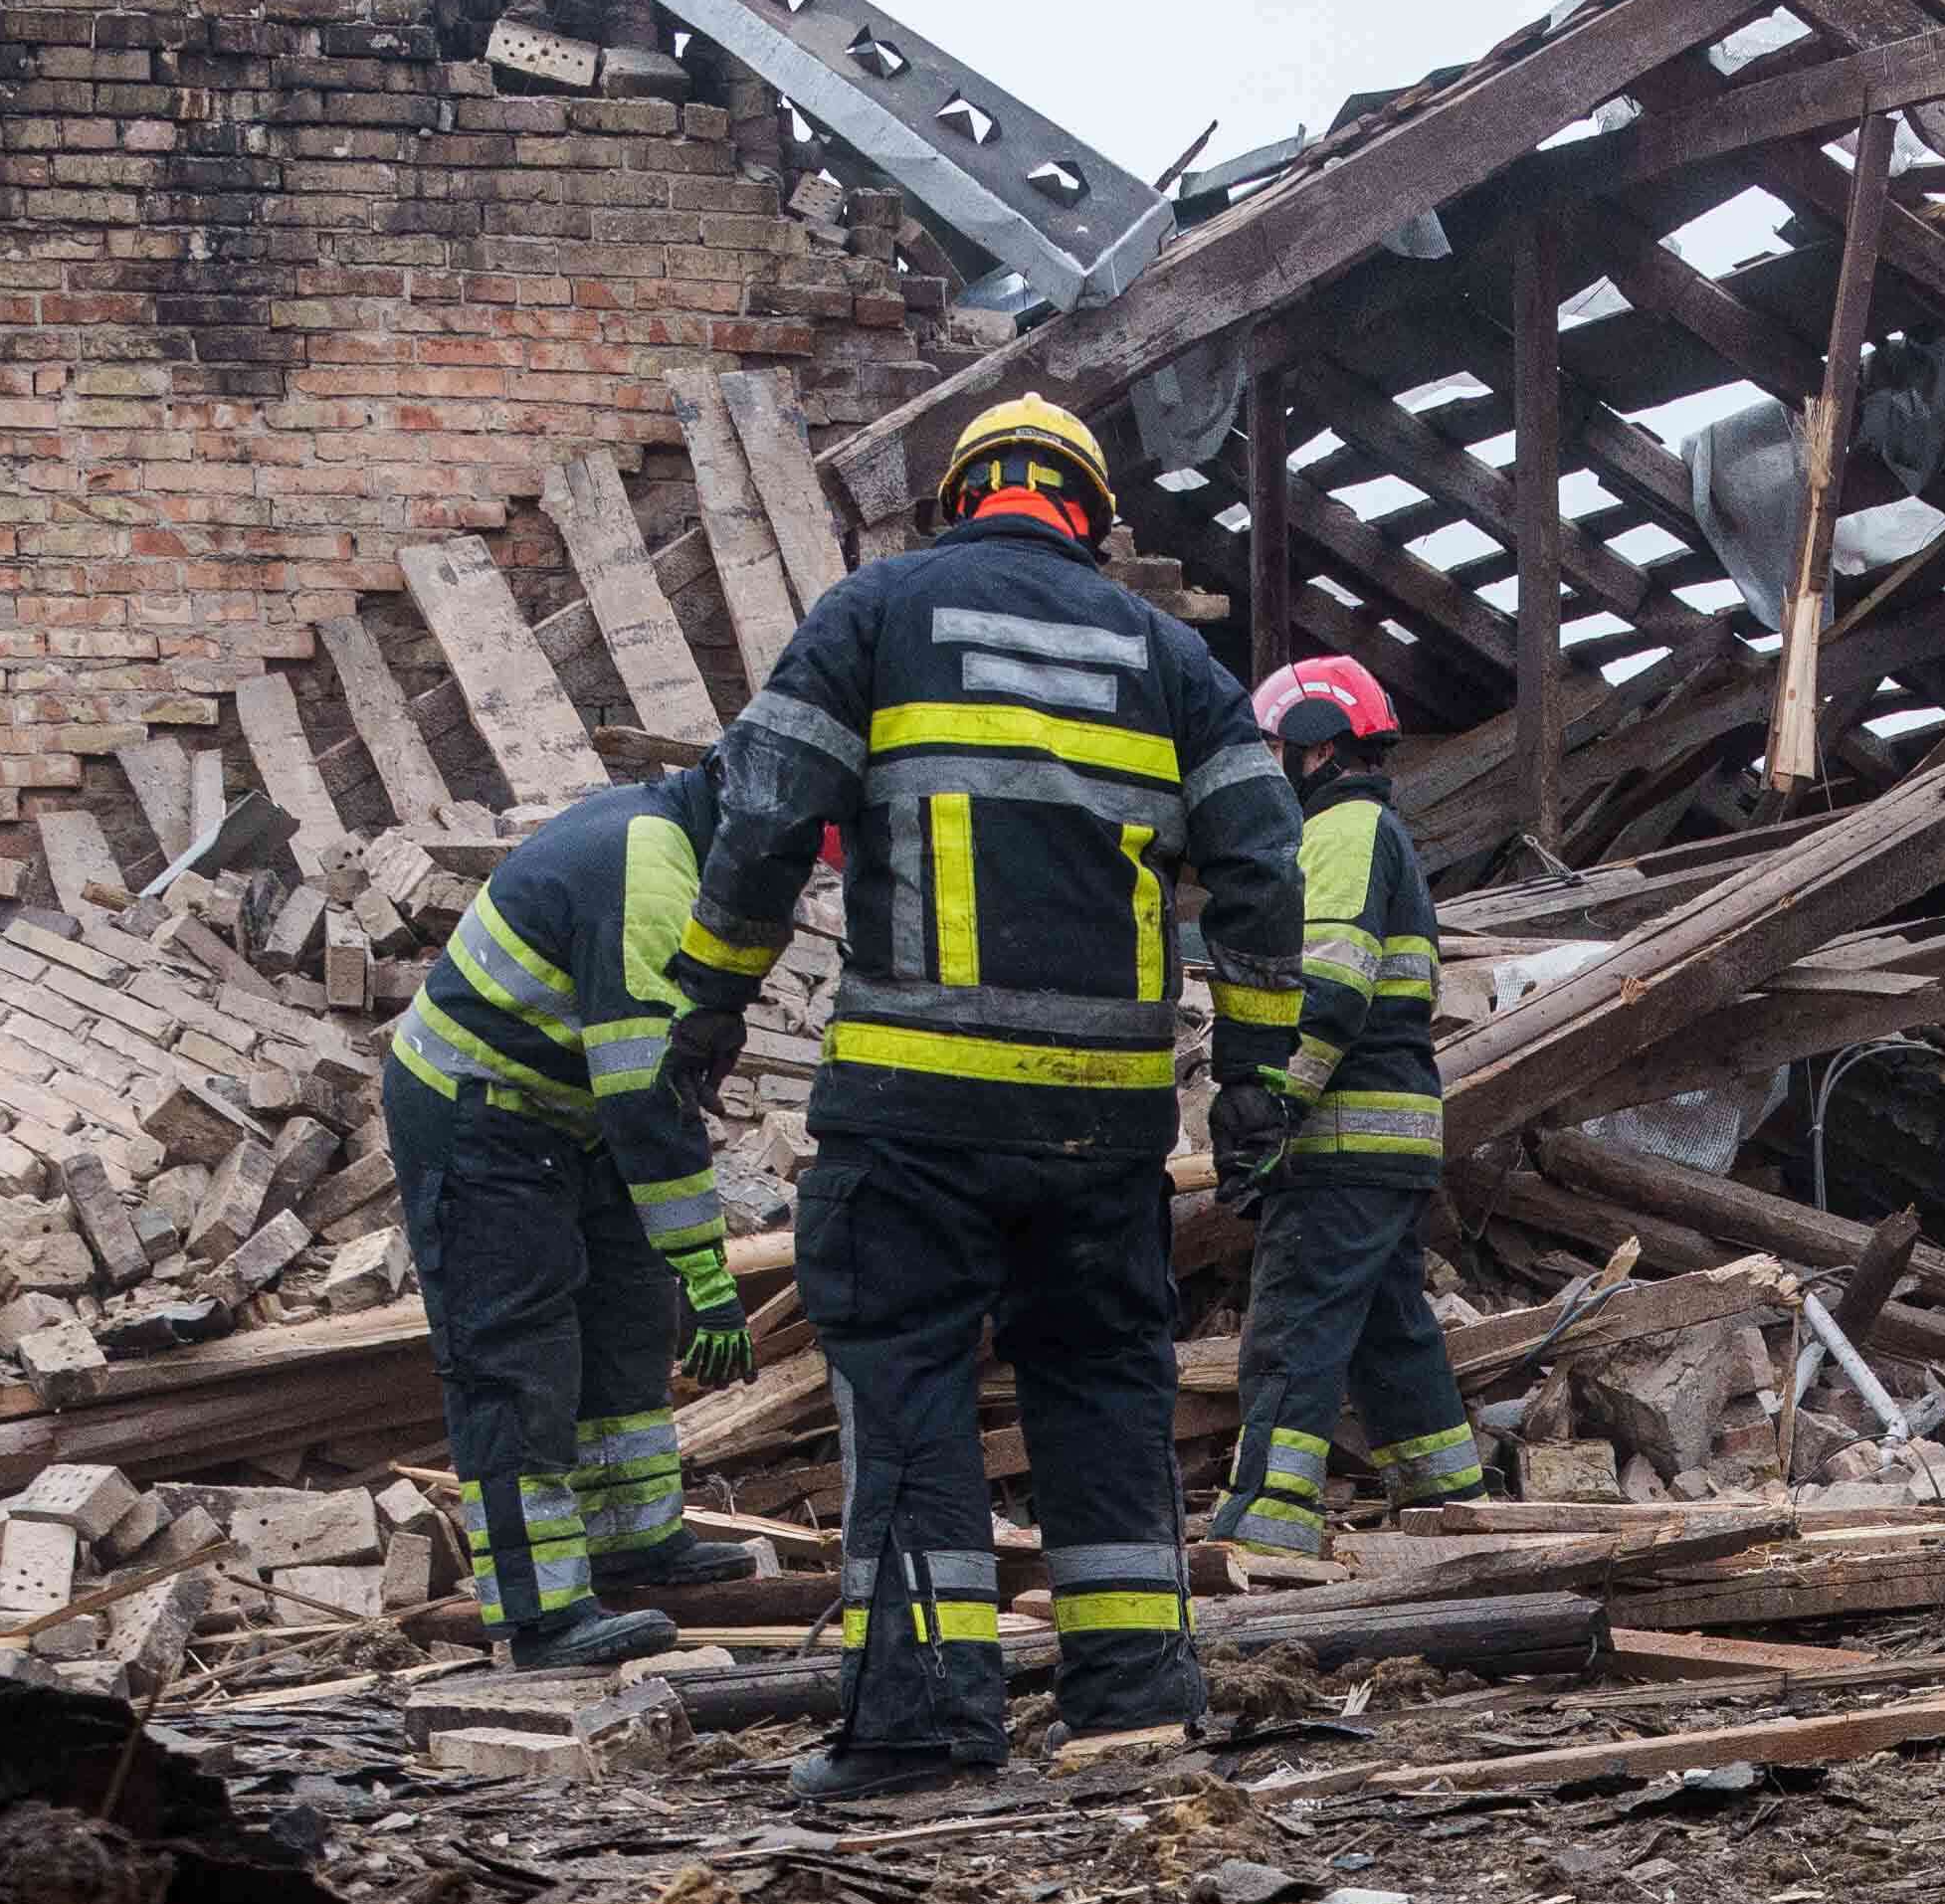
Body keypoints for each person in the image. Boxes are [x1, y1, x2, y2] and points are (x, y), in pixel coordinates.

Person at [688, 391, 1308, 1798]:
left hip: (913, 1114)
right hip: (1102, 1123)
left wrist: (707, 1003)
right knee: (1101, 1382)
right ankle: (1137, 1708)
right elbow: (1267, 863)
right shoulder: (1167, 656)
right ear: (1090, 514)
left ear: (962, 498)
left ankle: (921, 1727)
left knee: (907, 1384)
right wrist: (1259, 1081)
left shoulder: (876, 613)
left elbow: (767, 813)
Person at [380, 767, 774, 1667]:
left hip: (571, 1108)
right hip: (478, 1112)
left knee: (627, 1318)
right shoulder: (646, 868)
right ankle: (541, 1613)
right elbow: (647, 1095)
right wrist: (708, 1271)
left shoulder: (686, 841)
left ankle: (636, 1542)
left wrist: (676, 1267)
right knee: (517, 1356)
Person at [1206, 657, 1494, 1566]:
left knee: (1293, 1326)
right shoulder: (1379, 834)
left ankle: (1266, 1521)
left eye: (1270, 752)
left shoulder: (1342, 830)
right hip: (1388, 1139)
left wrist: (1269, 1103)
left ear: (1313, 748)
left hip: (1340, 1136)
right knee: (1389, 1331)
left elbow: (1326, 988)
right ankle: (1453, 1509)